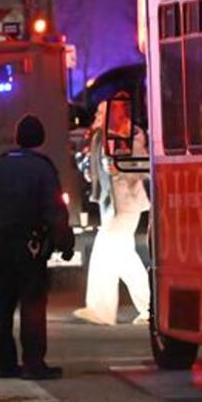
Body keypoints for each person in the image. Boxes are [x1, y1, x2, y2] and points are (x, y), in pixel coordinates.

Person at [0, 114, 75, 380]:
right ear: (41, 138)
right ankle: (33, 364)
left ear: (17, 138)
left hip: (1, 246)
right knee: (32, 305)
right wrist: (64, 243)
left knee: (1, 308)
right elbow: (54, 210)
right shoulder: (43, 169)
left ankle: (4, 364)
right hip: (31, 247)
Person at [74, 102, 151, 325]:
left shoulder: (129, 138)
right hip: (111, 206)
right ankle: (149, 307)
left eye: (101, 112)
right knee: (125, 259)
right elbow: (95, 169)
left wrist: (120, 170)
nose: (97, 115)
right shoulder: (101, 138)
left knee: (104, 254)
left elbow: (144, 167)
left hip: (126, 204)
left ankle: (101, 310)